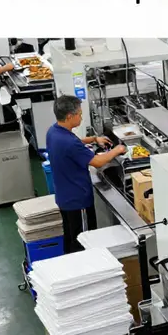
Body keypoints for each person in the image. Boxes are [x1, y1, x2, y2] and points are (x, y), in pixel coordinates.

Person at [46, 95, 126, 254]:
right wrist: (118, 150)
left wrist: (94, 139)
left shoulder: (54, 132)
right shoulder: (69, 142)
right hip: (78, 201)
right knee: (83, 244)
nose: (81, 117)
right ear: (70, 116)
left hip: (64, 197)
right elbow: (97, 162)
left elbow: (75, 142)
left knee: (70, 238)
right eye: (79, 114)